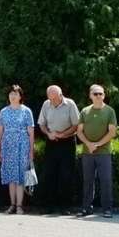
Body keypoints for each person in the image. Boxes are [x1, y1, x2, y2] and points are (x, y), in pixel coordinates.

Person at [37, 85, 82, 215]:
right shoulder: (46, 104)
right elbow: (41, 124)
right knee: (49, 174)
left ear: (61, 95)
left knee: (66, 175)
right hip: (51, 142)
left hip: (67, 142)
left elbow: (76, 125)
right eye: (50, 99)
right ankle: (48, 205)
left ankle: (65, 206)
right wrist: (48, 133)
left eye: (54, 99)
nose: (52, 101)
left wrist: (63, 134)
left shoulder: (70, 104)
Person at [78, 84, 118, 218]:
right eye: (95, 94)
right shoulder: (84, 111)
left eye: (101, 93)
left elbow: (112, 132)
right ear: (90, 96)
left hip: (104, 152)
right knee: (88, 181)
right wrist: (89, 144)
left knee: (106, 181)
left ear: (104, 95)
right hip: (87, 152)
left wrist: (97, 144)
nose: (98, 96)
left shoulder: (110, 111)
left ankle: (107, 209)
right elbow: (79, 131)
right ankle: (86, 208)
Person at [0, 85, 36, 215]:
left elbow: (31, 132)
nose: (13, 96)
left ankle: (19, 206)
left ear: (20, 96)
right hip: (8, 146)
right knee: (11, 177)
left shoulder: (26, 111)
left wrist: (31, 151)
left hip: (22, 146)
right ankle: (12, 205)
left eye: (15, 93)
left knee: (20, 177)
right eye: (11, 93)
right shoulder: (3, 112)